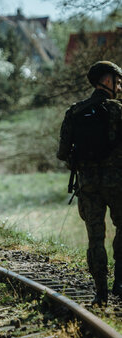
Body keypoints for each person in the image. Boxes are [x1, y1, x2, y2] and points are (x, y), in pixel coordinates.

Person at [57, 61, 122, 306]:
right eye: (117, 80)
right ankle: (120, 281)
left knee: (95, 238)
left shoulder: (75, 112)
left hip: (88, 185)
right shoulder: (119, 110)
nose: (120, 85)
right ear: (106, 81)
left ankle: (100, 293)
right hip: (118, 184)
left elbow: (62, 153)